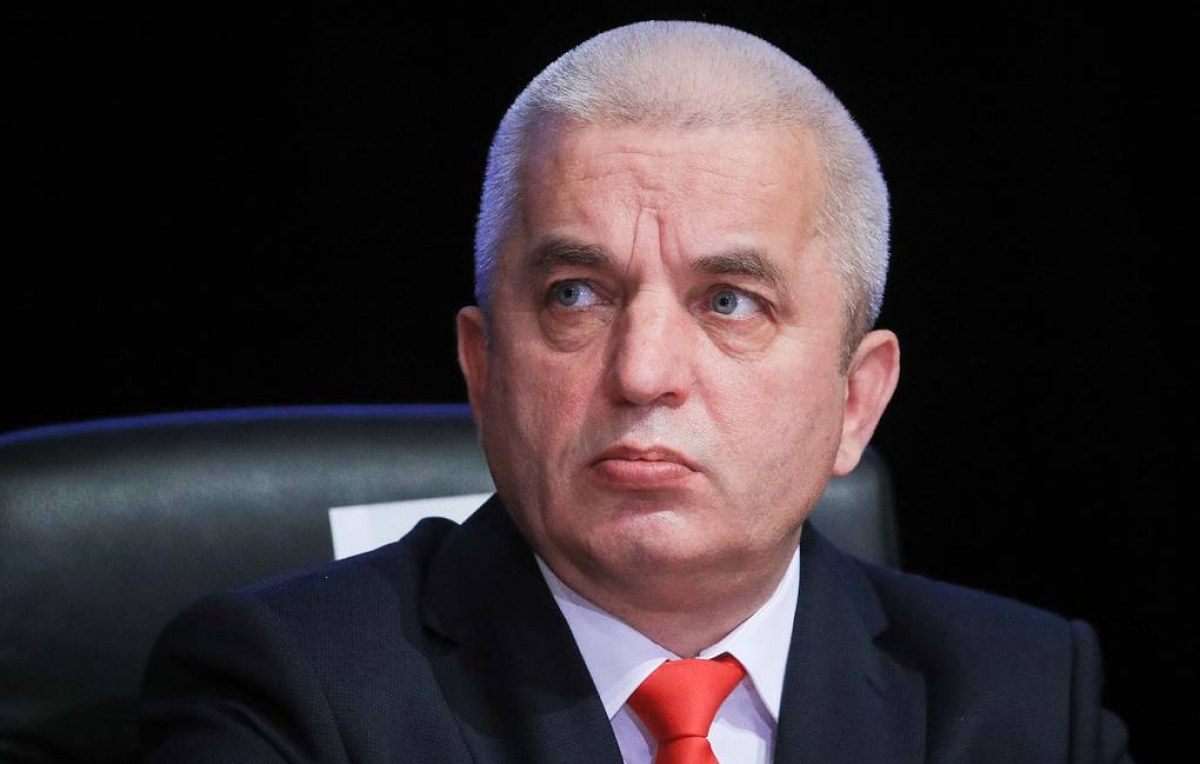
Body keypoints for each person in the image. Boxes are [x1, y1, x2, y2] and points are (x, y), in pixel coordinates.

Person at [139, 20, 1133, 763]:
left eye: (730, 302)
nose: (642, 372)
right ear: (482, 368)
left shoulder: (1026, 701)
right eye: (575, 294)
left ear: (856, 401)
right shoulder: (288, 694)